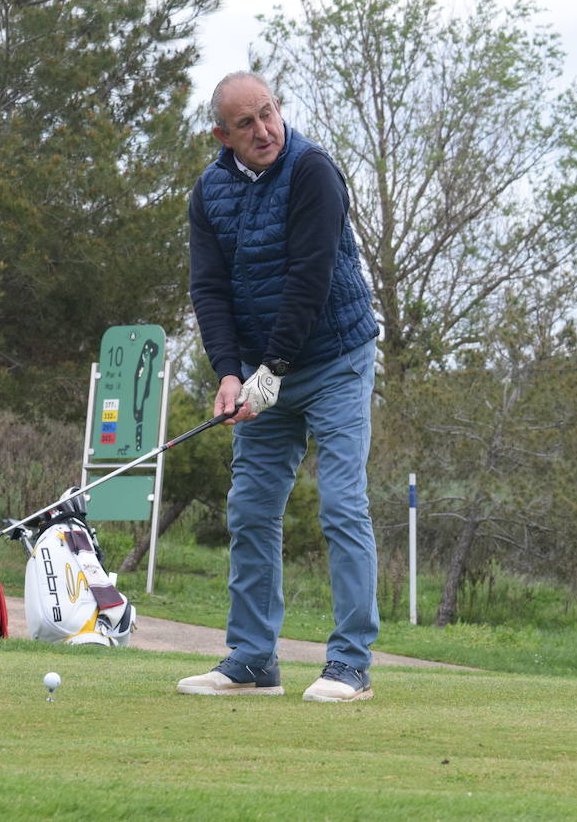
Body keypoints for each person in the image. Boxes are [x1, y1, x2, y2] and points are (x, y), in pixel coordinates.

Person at [176, 71, 380, 702]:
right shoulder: (209, 192)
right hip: (264, 374)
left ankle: (350, 663)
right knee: (251, 509)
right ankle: (254, 661)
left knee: (342, 504)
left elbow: (309, 277)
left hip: (336, 359)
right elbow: (209, 289)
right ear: (222, 134)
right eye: (247, 123)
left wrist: (273, 369)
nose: (264, 130)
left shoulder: (313, 169)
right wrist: (230, 373)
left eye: (269, 113)